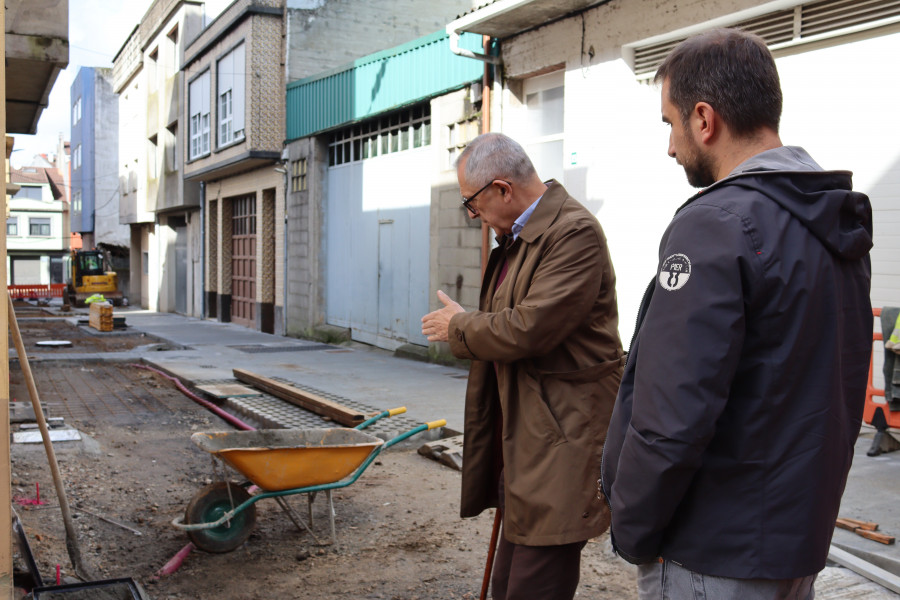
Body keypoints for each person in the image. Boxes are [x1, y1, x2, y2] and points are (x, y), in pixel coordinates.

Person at [600, 28, 873, 599]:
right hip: (792, 541)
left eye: (669, 124)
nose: (670, 146)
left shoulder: (714, 225)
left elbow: (672, 412)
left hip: (712, 548)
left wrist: (631, 526)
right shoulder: (830, 219)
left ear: (704, 119)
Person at [421, 132, 624, 600]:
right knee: (508, 583)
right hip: (528, 436)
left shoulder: (574, 233)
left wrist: (460, 326)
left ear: (502, 190)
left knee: (535, 583)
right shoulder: (519, 238)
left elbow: (529, 328)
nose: (475, 217)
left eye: (473, 204)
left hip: (561, 438)